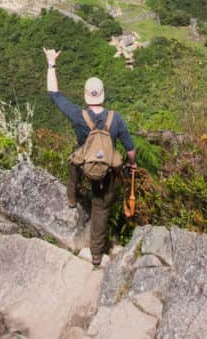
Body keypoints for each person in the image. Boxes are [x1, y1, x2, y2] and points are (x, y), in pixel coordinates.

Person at [44, 48, 136, 266]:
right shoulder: (116, 119)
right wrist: (132, 164)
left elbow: (54, 94)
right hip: (106, 173)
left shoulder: (79, 115)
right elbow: (130, 148)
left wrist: (51, 64)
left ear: (86, 95)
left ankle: (71, 197)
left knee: (75, 159)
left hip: (85, 166)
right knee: (100, 208)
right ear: (103, 94)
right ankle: (96, 255)